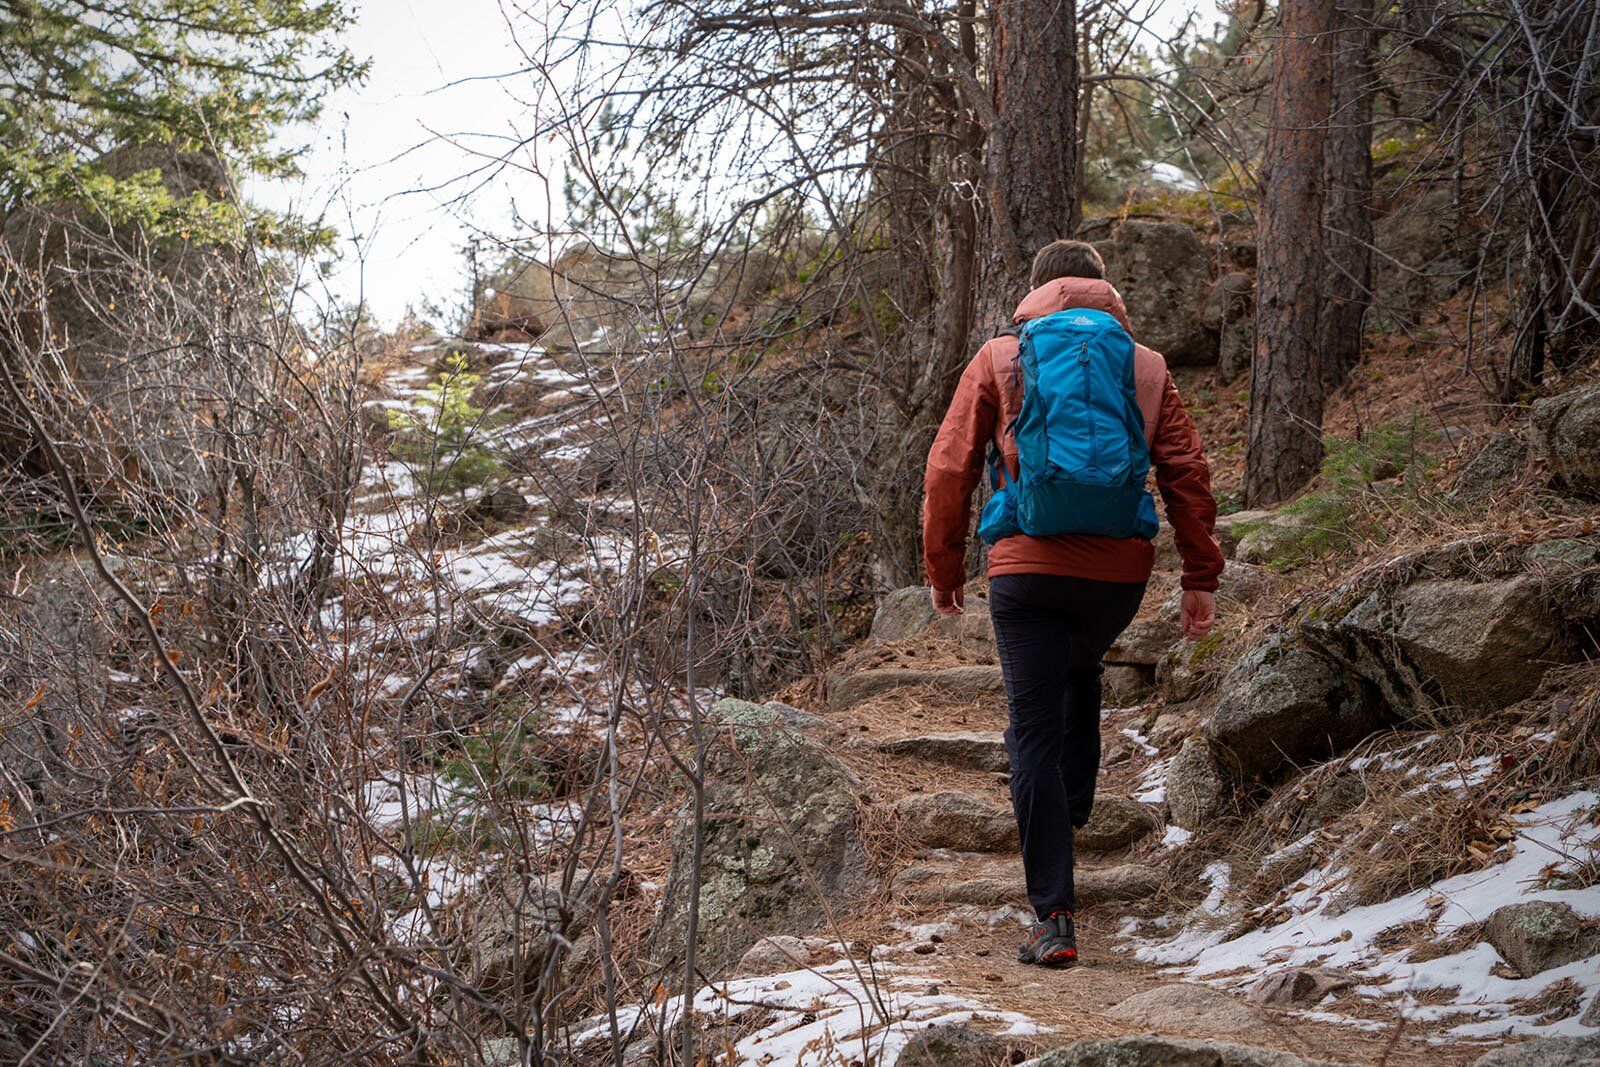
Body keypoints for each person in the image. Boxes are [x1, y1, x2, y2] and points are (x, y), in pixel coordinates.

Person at [922, 238, 1224, 967]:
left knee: (1031, 729)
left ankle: (1054, 916)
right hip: (1116, 574)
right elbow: (1186, 470)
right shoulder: (1145, 364)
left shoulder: (1000, 356)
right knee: (1081, 666)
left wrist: (944, 566)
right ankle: (1075, 800)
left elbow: (949, 465)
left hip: (1026, 566)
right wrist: (1198, 576)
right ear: (1105, 290)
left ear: (1034, 291)